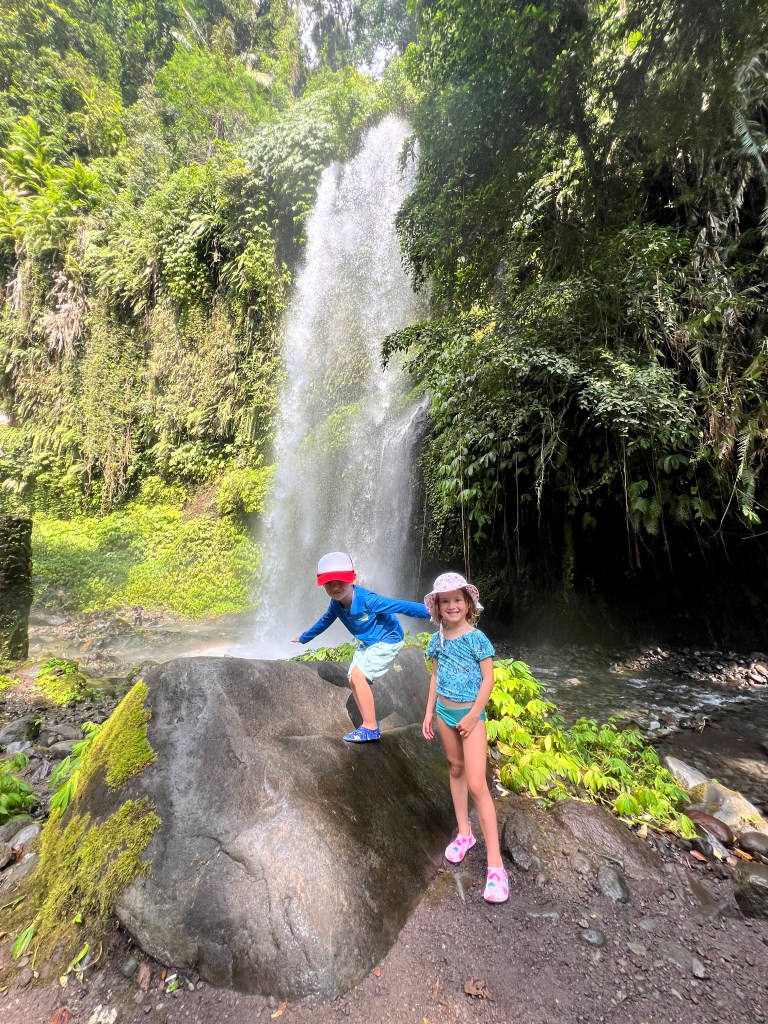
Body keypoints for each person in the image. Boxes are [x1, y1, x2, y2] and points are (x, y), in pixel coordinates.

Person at [421, 572, 508, 904]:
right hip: (444, 712)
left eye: (457, 599)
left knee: (476, 783)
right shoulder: (437, 640)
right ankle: (464, 833)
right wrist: (429, 712)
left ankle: (496, 867)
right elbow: (435, 677)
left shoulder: (477, 639)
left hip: (472, 716)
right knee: (455, 768)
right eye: (445, 601)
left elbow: (488, 680)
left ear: (468, 603)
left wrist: (473, 716)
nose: (452, 605)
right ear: (437, 607)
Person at [292, 551, 431, 742]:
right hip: (368, 643)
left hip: (388, 640)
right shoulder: (335, 604)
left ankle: (370, 727)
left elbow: (400, 605)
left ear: (353, 578)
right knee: (352, 678)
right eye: (329, 582)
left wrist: (434, 611)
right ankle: (369, 723)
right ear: (322, 584)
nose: (335, 586)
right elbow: (324, 621)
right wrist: (304, 637)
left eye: (341, 580)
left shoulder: (367, 600)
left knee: (358, 676)